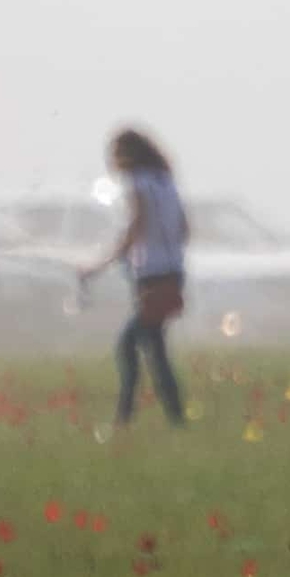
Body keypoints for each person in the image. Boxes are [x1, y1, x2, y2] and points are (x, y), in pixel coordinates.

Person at [82, 129, 188, 427]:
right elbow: (184, 227)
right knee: (154, 346)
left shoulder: (137, 183)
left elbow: (135, 226)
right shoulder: (166, 182)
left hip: (152, 276)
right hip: (172, 272)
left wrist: (102, 264)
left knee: (129, 346)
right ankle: (172, 417)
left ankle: (126, 416)